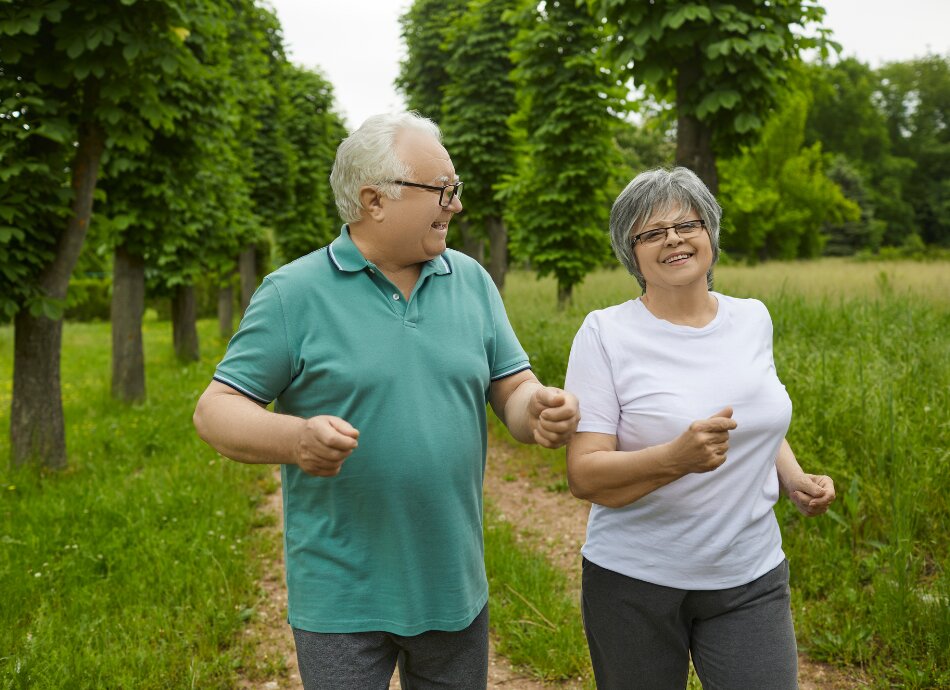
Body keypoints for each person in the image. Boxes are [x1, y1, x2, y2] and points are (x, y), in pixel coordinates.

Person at [192, 111, 579, 689]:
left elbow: (512, 387)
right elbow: (215, 410)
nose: (456, 205)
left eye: (456, 189)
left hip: (452, 585)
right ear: (374, 200)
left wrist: (539, 409)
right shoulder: (293, 294)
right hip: (341, 595)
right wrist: (295, 439)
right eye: (442, 191)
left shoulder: (471, 281)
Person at [563, 167, 836, 689]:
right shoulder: (605, 333)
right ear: (631, 252)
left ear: (709, 231)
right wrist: (675, 458)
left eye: (687, 224)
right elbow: (584, 475)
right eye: (651, 232)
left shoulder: (753, 318)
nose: (673, 239)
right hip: (634, 583)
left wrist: (794, 478)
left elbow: (757, 419)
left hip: (750, 576)